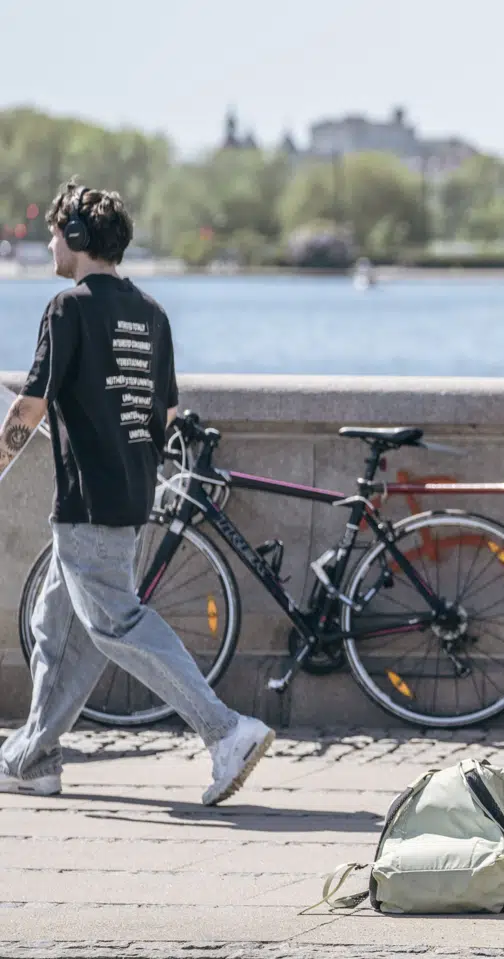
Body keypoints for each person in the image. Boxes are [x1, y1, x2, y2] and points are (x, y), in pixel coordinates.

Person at [0, 181, 274, 806]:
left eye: (54, 231)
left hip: (88, 503)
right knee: (55, 626)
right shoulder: (152, 313)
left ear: (76, 238)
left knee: (117, 623)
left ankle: (225, 731)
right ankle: (34, 757)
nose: (48, 243)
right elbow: (164, 416)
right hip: (129, 494)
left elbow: (32, 406)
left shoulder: (66, 309)